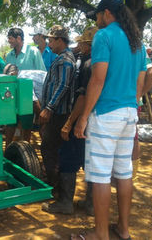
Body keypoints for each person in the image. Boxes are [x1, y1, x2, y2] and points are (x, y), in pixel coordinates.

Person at [72, 0, 146, 240]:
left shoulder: (104, 36)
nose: (96, 19)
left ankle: (100, 234)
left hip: (106, 114)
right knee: (124, 172)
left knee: (101, 175)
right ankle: (123, 230)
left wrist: (83, 118)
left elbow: (97, 79)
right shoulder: (136, 41)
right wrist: (133, 105)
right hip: (128, 113)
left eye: (97, 15)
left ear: (105, 13)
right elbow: (141, 79)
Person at [42, 26, 98, 215]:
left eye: (82, 42)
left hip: (82, 119)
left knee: (67, 157)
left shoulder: (87, 65)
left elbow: (81, 97)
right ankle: (90, 204)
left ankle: (65, 202)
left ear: (88, 44)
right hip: (96, 120)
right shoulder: (98, 64)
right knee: (89, 160)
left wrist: (70, 122)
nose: (79, 44)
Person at [39, 25, 76, 198]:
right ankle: (55, 185)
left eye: (51, 40)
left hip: (59, 114)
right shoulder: (61, 58)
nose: (49, 43)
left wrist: (49, 108)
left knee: (50, 148)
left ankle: (56, 188)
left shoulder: (65, 60)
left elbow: (63, 86)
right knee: (50, 148)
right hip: (56, 113)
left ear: (60, 40)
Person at [3, 64, 47, 147]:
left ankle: (25, 149)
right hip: (39, 96)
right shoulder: (19, 75)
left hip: (48, 95)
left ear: (13, 74)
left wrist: (40, 117)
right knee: (12, 120)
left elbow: (34, 102)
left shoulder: (22, 79)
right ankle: (8, 150)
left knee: (28, 117)